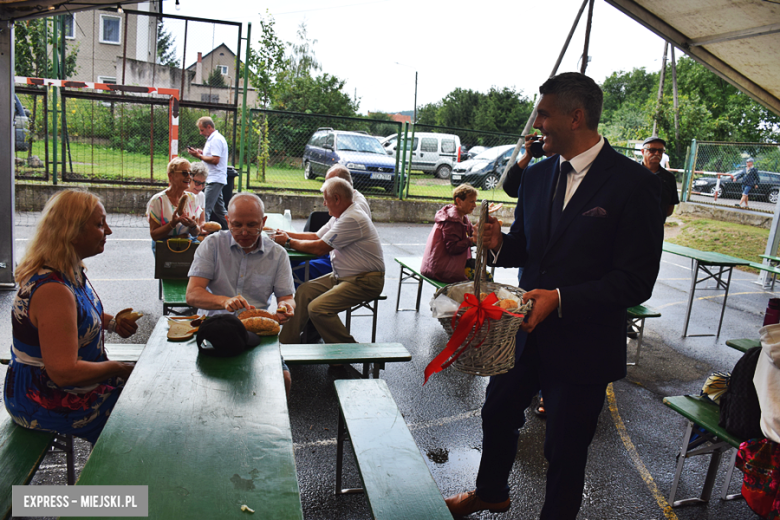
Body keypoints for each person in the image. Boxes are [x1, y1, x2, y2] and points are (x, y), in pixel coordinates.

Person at [444, 72, 664, 519]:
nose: (537, 122)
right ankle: (491, 493)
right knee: (497, 412)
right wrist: (498, 242)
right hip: (524, 333)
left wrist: (560, 298)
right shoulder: (537, 177)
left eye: (544, 113)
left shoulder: (635, 184)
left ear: (575, 116)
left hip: (584, 343)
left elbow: (636, 281)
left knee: (565, 447)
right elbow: (526, 247)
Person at [3, 190, 138, 444]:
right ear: (72, 232)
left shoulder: (67, 268)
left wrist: (111, 323)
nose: (108, 231)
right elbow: (64, 373)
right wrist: (119, 369)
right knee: (135, 427)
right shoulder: (53, 290)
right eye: (99, 224)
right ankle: (119, 483)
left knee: (142, 407)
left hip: (64, 386)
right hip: (44, 397)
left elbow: (74, 316)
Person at [185, 192, 295, 393]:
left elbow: (286, 297)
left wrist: (286, 307)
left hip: (254, 330)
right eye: (237, 225)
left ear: (263, 222)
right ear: (227, 221)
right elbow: (192, 294)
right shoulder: (212, 245)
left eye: (252, 225)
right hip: (212, 328)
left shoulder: (278, 254)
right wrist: (223, 302)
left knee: (284, 379)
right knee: (199, 384)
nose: (244, 232)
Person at [274, 177, 385, 345]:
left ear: (337, 199)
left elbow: (319, 248)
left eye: (325, 199)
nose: (324, 203)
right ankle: (285, 345)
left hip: (365, 280)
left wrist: (288, 242)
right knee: (304, 292)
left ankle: (348, 351)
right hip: (344, 277)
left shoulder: (352, 218)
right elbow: (316, 236)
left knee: (318, 309)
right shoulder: (341, 214)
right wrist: (283, 234)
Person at [420, 184, 477, 283]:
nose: (474, 205)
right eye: (471, 201)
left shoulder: (462, 217)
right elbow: (452, 248)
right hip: (441, 269)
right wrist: (470, 241)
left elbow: (473, 232)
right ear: (459, 201)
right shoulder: (452, 220)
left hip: (443, 265)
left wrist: (485, 221)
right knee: (483, 278)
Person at [145, 157, 203, 253]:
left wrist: (192, 225)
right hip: (165, 248)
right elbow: (154, 235)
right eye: (184, 173)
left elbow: (196, 232)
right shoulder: (158, 200)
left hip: (187, 246)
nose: (189, 177)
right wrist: (172, 224)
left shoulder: (193, 199)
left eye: (190, 173)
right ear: (170, 176)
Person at [187, 116, 228, 229]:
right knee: (220, 211)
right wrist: (202, 153)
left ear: (209, 127)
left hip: (214, 178)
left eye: (202, 130)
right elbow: (212, 156)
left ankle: (201, 234)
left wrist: (199, 156)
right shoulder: (213, 139)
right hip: (214, 178)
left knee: (204, 209)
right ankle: (233, 229)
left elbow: (215, 160)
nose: (201, 133)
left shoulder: (216, 140)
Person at [641, 136, 679, 222]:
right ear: (643, 151)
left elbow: (670, 207)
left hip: (656, 228)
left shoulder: (669, 178)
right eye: (652, 150)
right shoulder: (632, 173)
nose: (657, 153)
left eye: (660, 151)